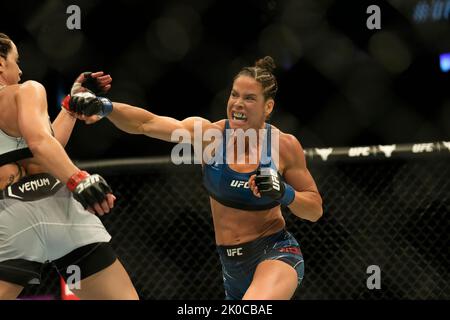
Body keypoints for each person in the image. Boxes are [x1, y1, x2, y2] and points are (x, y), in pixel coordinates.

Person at [69, 56, 323, 300]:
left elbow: (314, 210)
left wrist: (284, 192)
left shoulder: (283, 146)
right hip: (230, 264)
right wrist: (105, 107)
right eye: (234, 94)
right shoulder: (209, 136)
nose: (238, 104)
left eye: (249, 98)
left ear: (268, 107)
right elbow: (146, 123)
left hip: (275, 254)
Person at [0, 33, 138, 300]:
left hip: (10, 219)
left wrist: (71, 106)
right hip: (58, 208)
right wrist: (79, 179)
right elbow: (40, 143)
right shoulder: (28, 90)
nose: (21, 69)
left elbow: (45, 147)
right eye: (17, 60)